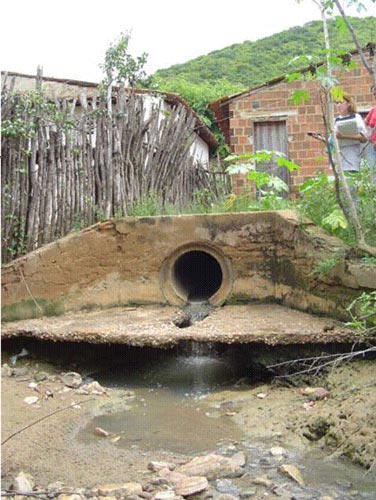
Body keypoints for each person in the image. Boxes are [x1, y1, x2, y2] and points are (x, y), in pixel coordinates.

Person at [364, 84, 376, 182]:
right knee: (373, 175)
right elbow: (365, 123)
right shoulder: (373, 109)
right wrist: (367, 134)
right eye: (374, 94)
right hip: (372, 147)